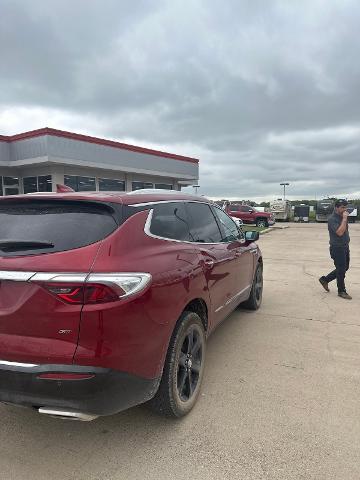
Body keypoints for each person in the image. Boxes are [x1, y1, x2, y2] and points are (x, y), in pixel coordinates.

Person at [319, 199, 351, 299]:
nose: (344, 209)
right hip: (337, 248)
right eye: (342, 207)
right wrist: (345, 219)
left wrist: (344, 218)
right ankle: (341, 291)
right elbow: (340, 232)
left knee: (344, 268)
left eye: (345, 207)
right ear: (336, 208)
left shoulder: (342, 217)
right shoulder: (332, 219)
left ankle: (325, 279)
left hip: (345, 246)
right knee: (341, 270)